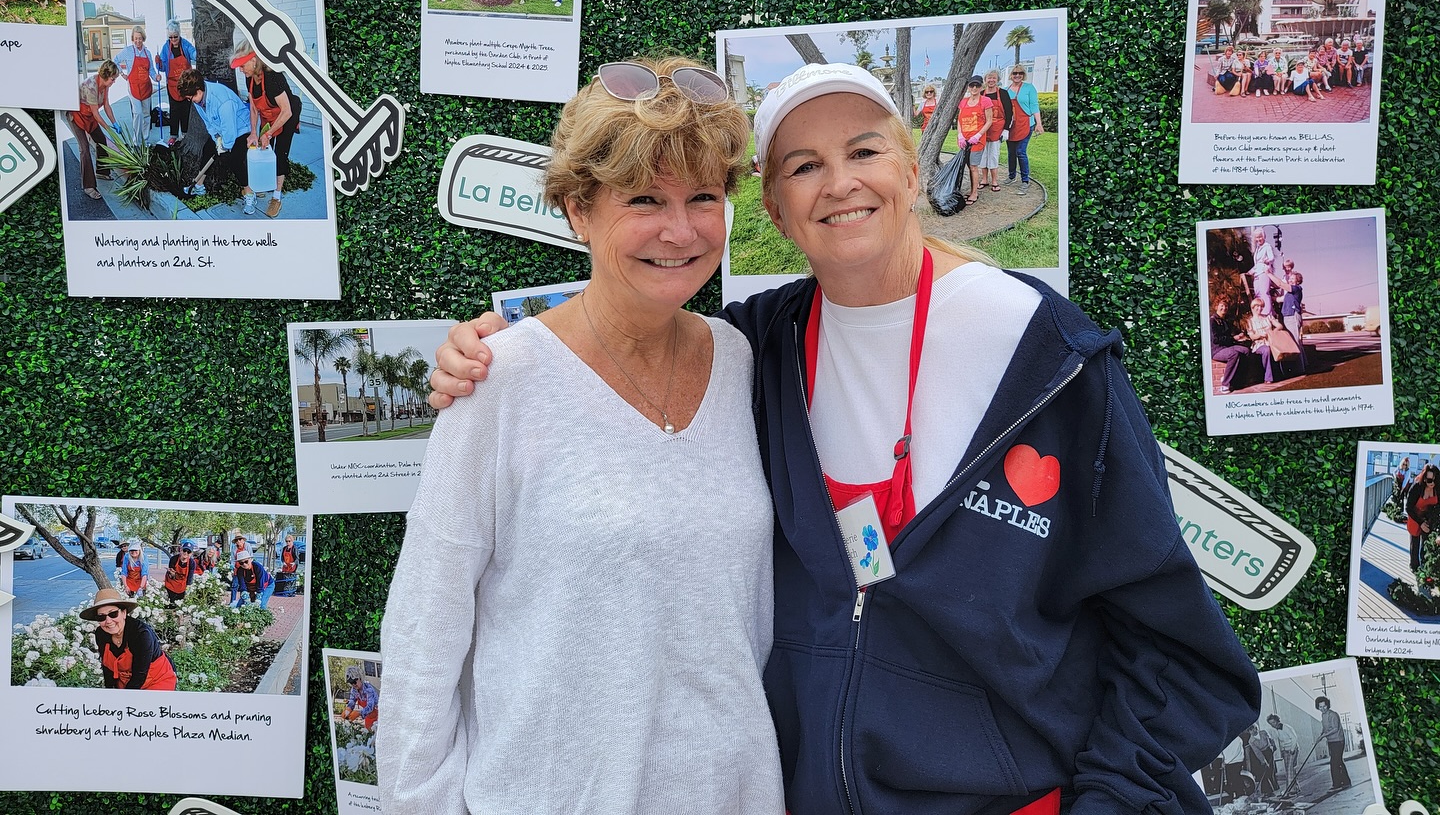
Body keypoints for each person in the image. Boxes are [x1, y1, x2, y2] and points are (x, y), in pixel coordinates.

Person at [429, 59, 1261, 815]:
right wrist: (498, 352)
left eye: (863, 152)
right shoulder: (752, 354)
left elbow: (1181, 657)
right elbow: (617, 348)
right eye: (802, 166)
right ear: (776, 212)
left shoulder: (1051, 360)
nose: (839, 184)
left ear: (910, 169)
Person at [380, 57, 785, 815]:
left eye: (704, 197)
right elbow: (422, 637)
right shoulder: (498, 380)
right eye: (643, 199)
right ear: (578, 209)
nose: (681, 229)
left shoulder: (739, 361)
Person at [232, 40, 301, 218]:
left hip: (288, 113)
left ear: (254, 60)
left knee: (280, 153)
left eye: (242, 65)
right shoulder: (249, 78)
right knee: (263, 149)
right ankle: (262, 183)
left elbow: (286, 111)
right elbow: (254, 107)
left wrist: (268, 134)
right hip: (268, 114)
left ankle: (276, 197)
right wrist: (254, 133)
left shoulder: (273, 77)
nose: (240, 70)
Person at [175, 68, 254, 213]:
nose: (190, 101)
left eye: (190, 97)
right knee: (207, 149)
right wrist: (217, 138)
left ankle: (249, 193)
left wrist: (226, 146)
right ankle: (198, 185)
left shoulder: (222, 101)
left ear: (199, 91)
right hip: (222, 128)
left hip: (241, 128)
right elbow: (208, 123)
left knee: (235, 159)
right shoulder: (198, 100)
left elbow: (230, 127)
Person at [82, 588, 178, 691]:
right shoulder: (101, 634)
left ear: (123, 613)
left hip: (156, 681)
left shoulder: (141, 634)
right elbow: (107, 669)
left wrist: (125, 699)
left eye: (113, 614)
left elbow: (140, 674)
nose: (108, 621)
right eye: (101, 617)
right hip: (126, 683)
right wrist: (109, 693)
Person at [67, 61, 120, 200]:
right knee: (84, 149)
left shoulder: (105, 85)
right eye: (113, 79)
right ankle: (88, 186)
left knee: (101, 141)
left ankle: (102, 171)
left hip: (89, 116)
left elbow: (107, 105)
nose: (114, 82)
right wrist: (109, 129)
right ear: (105, 75)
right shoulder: (91, 86)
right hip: (77, 115)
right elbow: (97, 114)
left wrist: (115, 123)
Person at [156, 19, 197, 145]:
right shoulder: (165, 47)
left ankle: (185, 133)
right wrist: (158, 63)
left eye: (175, 36)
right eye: (171, 37)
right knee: (174, 110)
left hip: (186, 84)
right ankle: (173, 135)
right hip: (172, 85)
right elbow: (162, 68)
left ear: (179, 35)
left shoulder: (185, 45)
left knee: (186, 109)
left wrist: (198, 52)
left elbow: (195, 55)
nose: (173, 39)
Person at [955, 74, 993, 204]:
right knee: (967, 165)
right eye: (972, 85)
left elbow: (989, 121)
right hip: (964, 140)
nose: (974, 88)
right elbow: (959, 120)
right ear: (968, 87)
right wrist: (960, 135)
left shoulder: (985, 101)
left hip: (977, 140)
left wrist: (978, 135)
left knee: (973, 166)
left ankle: (974, 193)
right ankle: (972, 188)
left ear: (981, 86)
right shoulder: (963, 102)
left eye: (977, 85)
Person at [114, 26, 158, 141]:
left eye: (140, 38)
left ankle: (146, 140)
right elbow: (115, 60)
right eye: (135, 38)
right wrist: (122, 74)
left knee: (147, 115)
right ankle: (136, 141)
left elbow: (151, 70)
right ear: (132, 39)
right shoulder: (128, 51)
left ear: (143, 38)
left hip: (146, 87)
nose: (138, 41)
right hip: (133, 87)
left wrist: (156, 77)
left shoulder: (147, 53)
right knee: (137, 114)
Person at [1004, 65, 1041, 195]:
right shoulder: (1006, 90)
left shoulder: (1029, 88)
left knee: (1021, 151)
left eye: (1020, 73)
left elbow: (1035, 106)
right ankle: (1011, 176)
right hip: (1011, 126)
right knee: (1011, 152)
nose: (1017, 75)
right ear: (1011, 75)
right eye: (1014, 73)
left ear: (1023, 74)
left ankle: (1025, 180)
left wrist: (1039, 123)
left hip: (1026, 123)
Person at [1210, 298, 1256, 395]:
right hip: (1216, 349)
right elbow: (1216, 339)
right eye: (1221, 305)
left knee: (1246, 351)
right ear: (1216, 307)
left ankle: (1236, 381)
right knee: (1234, 354)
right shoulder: (1213, 321)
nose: (1224, 308)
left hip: (1226, 347)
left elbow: (1233, 334)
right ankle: (1225, 384)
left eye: (1226, 306)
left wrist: (1240, 336)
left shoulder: (1225, 321)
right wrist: (1233, 338)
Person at [1405, 464, 1439, 590]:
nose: (1432, 483)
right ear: (1425, 479)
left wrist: (1431, 521)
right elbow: (1408, 507)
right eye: (1429, 480)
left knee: (1426, 543)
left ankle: (1425, 568)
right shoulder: (1416, 487)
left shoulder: (1438, 488)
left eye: (1435, 480)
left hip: (1429, 518)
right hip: (1415, 517)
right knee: (1415, 542)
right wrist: (1420, 522)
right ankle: (1414, 566)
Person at [980, 69, 1008, 192]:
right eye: (989, 78)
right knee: (983, 155)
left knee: (994, 155)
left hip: (997, 128)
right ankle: (984, 179)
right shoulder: (981, 93)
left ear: (997, 80)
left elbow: (1009, 113)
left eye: (994, 78)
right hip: (983, 129)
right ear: (985, 80)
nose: (991, 80)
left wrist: (1006, 129)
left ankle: (995, 180)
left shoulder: (1003, 94)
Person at [1317, 696, 1352, 791]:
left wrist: (1323, 736)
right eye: (1320, 707)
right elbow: (1325, 728)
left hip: (1338, 740)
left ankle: (1338, 784)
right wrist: (1321, 735)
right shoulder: (1323, 716)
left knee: (1334, 763)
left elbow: (1335, 729)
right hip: (1331, 741)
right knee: (1338, 761)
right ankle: (1345, 782)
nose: (1322, 709)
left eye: (1324, 706)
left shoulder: (1333, 715)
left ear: (1327, 705)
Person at [1241, 297, 1279, 385]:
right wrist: (1260, 335)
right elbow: (1252, 336)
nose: (1260, 308)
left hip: (1272, 342)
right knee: (1266, 350)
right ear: (1253, 307)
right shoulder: (1249, 321)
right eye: (1257, 306)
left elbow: (1279, 326)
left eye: (1261, 306)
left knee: (1272, 348)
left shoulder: (1268, 317)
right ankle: (1268, 377)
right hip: (1259, 344)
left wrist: (1272, 332)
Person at [1280, 267, 1309, 373]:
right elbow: (1279, 299)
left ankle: (1300, 369)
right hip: (1289, 317)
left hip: (1292, 316)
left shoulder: (1296, 289)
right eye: (1290, 278)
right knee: (1297, 342)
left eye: (1293, 278)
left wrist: (1268, 274)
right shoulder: (1289, 293)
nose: (1290, 280)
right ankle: (1304, 364)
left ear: (1298, 281)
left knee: (1295, 342)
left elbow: (1281, 284)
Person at [1266, 713, 1300, 791]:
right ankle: (1296, 788)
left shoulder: (1286, 727)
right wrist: (1282, 751)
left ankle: (1290, 790)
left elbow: (1294, 738)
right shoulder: (1276, 730)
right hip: (1285, 751)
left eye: (1273, 722)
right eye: (1270, 723)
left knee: (1289, 769)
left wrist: (1291, 750)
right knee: (1290, 770)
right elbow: (1281, 742)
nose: (1273, 725)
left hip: (1293, 749)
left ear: (1277, 721)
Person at [1248, 228, 1279, 315]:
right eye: (1257, 237)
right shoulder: (1257, 249)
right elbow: (1257, 264)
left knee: (1264, 292)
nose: (1258, 239)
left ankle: (1267, 312)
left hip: (1264, 272)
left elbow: (1272, 257)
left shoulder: (1267, 246)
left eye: (1260, 237)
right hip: (1257, 273)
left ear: (1264, 236)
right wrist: (1250, 271)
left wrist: (1267, 260)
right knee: (1257, 293)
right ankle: (1260, 311)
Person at [1247, 722, 1278, 798]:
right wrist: (1263, 761)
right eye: (1251, 730)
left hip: (1269, 752)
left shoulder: (1263, 732)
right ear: (1249, 732)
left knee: (1271, 771)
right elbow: (1257, 752)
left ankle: (1275, 788)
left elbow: (1271, 740)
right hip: (1261, 754)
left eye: (1255, 728)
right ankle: (1268, 791)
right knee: (1265, 772)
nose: (1254, 731)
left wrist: (1273, 746)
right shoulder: (1251, 741)